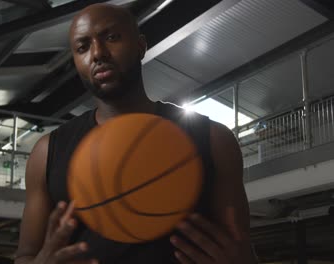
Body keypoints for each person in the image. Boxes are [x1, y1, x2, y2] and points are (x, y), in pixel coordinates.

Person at [15, 3, 254, 264]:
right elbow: (26, 255)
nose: (98, 53)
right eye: (83, 47)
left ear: (141, 46)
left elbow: (241, 249)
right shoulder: (47, 152)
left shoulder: (213, 139)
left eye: (112, 37)